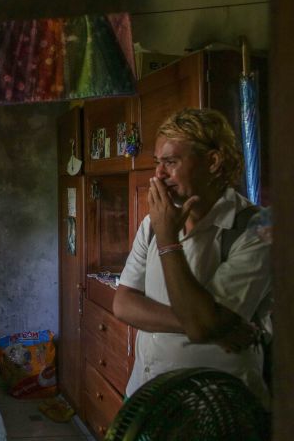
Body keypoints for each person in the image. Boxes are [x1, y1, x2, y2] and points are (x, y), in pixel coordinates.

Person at [112, 108, 272, 406]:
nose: (159, 174)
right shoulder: (152, 224)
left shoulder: (258, 228)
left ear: (213, 161)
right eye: (158, 163)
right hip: (145, 394)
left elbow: (201, 325)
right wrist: (205, 324)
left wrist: (168, 240)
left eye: (171, 162)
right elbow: (123, 304)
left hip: (213, 407)